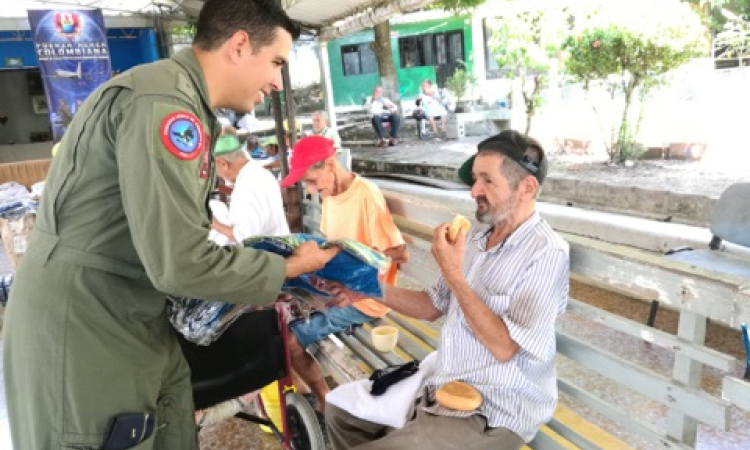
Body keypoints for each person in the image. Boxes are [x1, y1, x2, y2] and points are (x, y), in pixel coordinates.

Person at [3, 1, 339, 450]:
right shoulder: (163, 105)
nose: (278, 82)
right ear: (239, 45)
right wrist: (287, 270)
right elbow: (179, 261)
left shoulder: (180, 100)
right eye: (276, 62)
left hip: (129, 314)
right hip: (87, 325)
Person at [323, 130, 570, 450]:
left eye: (487, 181)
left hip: (493, 409)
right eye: (475, 180)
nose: (474, 191)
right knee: (339, 411)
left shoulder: (548, 252)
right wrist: (365, 289)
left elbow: (504, 347)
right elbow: (432, 305)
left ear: (527, 188)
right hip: (444, 380)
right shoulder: (479, 236)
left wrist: (454, 273)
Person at [279, 135, 409, 413]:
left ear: (329, 164)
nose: (312, 191)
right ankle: (315, 395)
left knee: (290, 338)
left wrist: (354, 265)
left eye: (312, 182)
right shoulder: (331, 198)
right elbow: (332, 246)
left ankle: (325, 401)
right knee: (279, 310)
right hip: (336, 288)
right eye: (306, 185)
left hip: (364, 298)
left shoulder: (365, 195)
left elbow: (399, 253)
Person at [211, 133, 289, 244]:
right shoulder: (260, 172)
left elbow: (244, 237)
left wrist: (214, 223)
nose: (219, 175)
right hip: (280, 244)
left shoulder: (245, 187)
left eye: (216, 170)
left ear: (223, 164)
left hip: (268, 255)